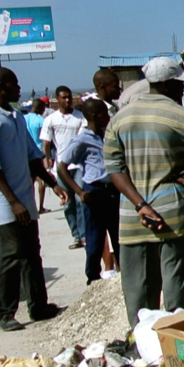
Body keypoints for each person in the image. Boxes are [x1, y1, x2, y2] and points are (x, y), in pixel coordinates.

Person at [103, 56, 184, 328]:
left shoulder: (120, 118)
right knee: (177, 288)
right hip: (173, 212)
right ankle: (174, 339)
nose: (183, 90)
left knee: (138, 291)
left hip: (133, 217)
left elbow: (114, 167)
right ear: (168, 85)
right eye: (180, 85)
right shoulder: (180, 115)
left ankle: (142, 345)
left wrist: (140, 205)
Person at [0, 67, 64, 332]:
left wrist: (52, 184)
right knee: (11, 255)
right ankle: (4, 312)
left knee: (32, 253)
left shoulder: (15, 116)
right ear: (1, 85)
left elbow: (32, 156)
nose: (19, 88)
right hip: (4, 201)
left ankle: (38, 305)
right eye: (15, 84)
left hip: (24, 196)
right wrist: (13, 202)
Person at [57, 97, 118, 285]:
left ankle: (123, 272)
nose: (107, 117)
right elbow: (62, 167)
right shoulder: (82, 140)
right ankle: (93, 277)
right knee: (95, 237)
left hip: (113, 190)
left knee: (118, 234)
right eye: (103, 114)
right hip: (94, 191)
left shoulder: (108, 136)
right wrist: (79, 192)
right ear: (93, 116)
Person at [41, 86, 87, 250]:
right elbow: (46, 144)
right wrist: (47, 165)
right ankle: (76, 236)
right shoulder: (51, 120)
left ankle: (84, 234)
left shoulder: (80, 117)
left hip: (79, 165)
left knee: (81, 199)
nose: (67, 100)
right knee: (68, 203)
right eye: (64, 98)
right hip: (61, 167)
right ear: (57, 99)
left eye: (69, 97)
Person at [24, 97, 49, 212]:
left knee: (29, 181)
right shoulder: (41, 121)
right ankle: (41, 206)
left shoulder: (23, 119)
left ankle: (31, 205)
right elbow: (44, 139)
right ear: (39, 108)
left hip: (25, 153)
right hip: (38, 152)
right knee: (41, 181)